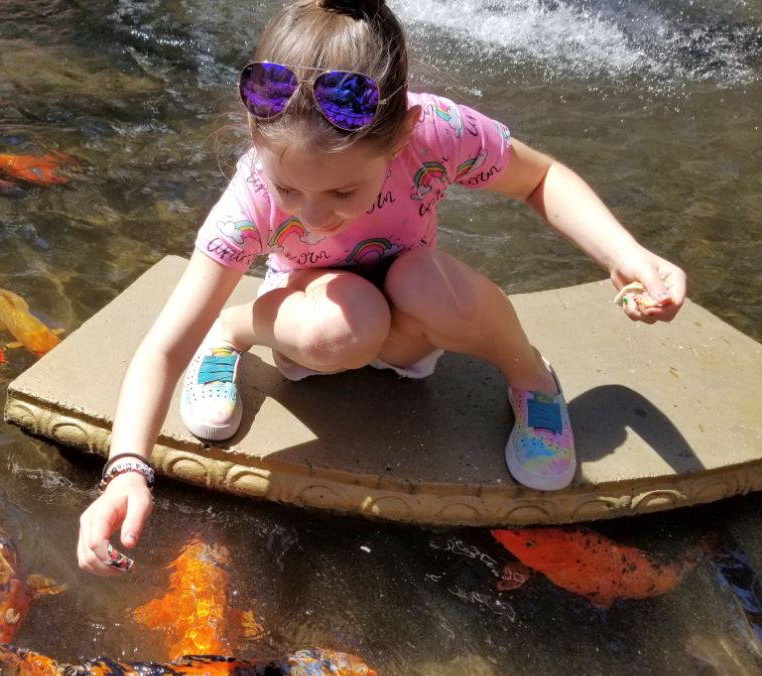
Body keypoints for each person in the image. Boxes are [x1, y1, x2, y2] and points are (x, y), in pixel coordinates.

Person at [77, 0, 687, 575]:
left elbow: (541, 178)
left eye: (343, 192)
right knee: (341, 324)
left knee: (421, 279)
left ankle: (532, 379)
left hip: (409, 317)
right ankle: (233, 330)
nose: (313, 216)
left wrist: (625, 253)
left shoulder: (435, 132)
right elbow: (163, 348)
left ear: (403, 135)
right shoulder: (252, 194)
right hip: (314, 319)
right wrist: (127, 468)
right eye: (291, 190)